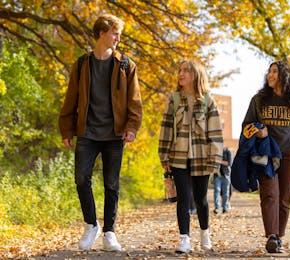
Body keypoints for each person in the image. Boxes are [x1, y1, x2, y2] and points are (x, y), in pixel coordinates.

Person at [58, 14, 142, 251]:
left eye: (119, 34)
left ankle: (109, 233)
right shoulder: (82, 64)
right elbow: (70, 99)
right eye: (114, 33)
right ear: (102, 33)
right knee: (81, 178)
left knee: (111, 184)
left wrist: (131, 128)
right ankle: (91, 224)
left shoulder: (126, 65)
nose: (118, 38)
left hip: (115, 135)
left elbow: (135, 103)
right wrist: (66, 129)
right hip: (87, 132)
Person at [242, 60, 290, 253]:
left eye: (274, 72)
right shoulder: (259, 100)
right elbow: (246, 125)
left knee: (284, 198)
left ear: (285, 76)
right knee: (269, 194)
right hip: (266, 153)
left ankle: (279, 237)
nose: (270, 75)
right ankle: (271, 236)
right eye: (269, 71)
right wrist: (258, 130)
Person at [158, 60, 223, 253]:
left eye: (186, 70)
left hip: (202, 157)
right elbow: (166, 128)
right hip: (178, 157)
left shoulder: (208, 101)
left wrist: (215, 158)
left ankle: (205, 234)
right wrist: (164, 156)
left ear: (196, 75)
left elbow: (215, 132)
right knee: (183, 198)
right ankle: (184, 239)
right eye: (180, 70)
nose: (181, 73)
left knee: (200, 198)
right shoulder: (174, 99)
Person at [213, 147, 233, 214]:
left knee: (226, 193)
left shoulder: (228, 151)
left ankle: (225, 207)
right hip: (217, 175)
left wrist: (219, 161)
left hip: (226, 175)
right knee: (217, 191)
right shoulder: (215, 152)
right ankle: (217, 208)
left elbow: (229, 163)